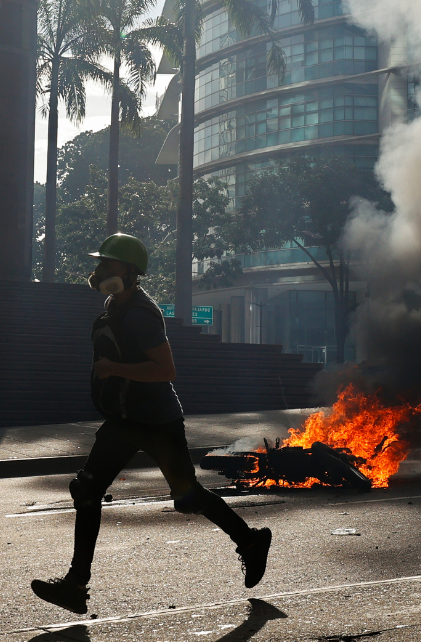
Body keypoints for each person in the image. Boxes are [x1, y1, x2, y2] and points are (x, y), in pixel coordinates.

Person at [31, 234, 273, 615]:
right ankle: (76, 585)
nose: (99, 271)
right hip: (124, 421)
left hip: (158, 421)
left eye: (107, 265)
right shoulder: (114, 305)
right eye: (101, 263)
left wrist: (113, 369)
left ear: (128, 270)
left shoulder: (143, 313)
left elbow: (165, 370)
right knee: (87, 490)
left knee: (188, 496)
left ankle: (251, 542)